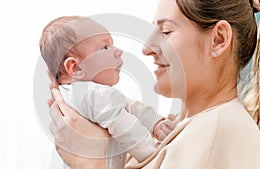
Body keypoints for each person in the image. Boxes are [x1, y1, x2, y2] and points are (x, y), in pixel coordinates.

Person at [48, 0, 260, 168]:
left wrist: (90, 163)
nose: (147, 47)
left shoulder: (220, 132)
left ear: (219, 39)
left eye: (165, 31)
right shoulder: (187, 131)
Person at [40, 16, 176, 169]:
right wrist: (151, 152)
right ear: (75, 68)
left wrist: (155, 123)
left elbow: (128, 107)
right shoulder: (92, 95)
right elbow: (125, 124)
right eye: (105, 47)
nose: (118, 51)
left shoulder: (70, 96)